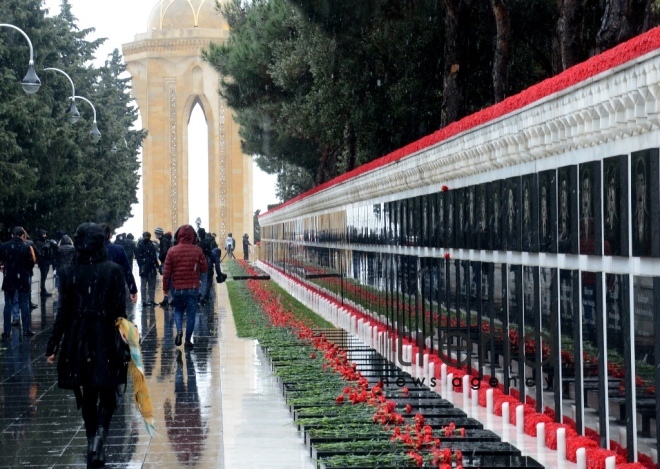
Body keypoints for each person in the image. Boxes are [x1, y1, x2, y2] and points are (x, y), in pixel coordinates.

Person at [45, 222, 128, 468]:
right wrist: (125, 340)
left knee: (88, 393)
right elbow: (120, 312)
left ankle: (92, 437)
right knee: (109, 390)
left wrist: (52, 345)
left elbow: (64, 313)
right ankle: (101, 435)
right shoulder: (113, 271)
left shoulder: (69, 273)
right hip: (105, 336)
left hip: (77, 337)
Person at [162, 225, 208, 349]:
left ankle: (179, 330)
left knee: (178, 310)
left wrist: (166, 289)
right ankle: (188, 340)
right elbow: (205, 268)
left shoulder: (172, 251)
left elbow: (166, 273)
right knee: (191, 314)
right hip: (193, 288)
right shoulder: (198, 250)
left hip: (177, 288)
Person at [0, 227, 36, 338]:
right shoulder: (26, 247)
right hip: (22, 279)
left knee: (8, 305)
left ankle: (6, 331)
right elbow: (31, 264)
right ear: (22, 235)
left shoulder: (4, 246)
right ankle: (26, 330)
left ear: (12, 235)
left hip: (9, 278)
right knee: (24, 304)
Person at [99, 224, 138, 304]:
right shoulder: (118, 249)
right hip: (115, 289)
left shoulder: (90, 251)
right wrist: (132, 289)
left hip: (96, 291)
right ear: (109, 235)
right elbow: (127, 271)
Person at [136, 232, 159, 306]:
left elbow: (154, 257)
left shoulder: (151, 245)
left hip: (151, 267)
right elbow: (138, 258)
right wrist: (141, 266)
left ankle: (151, 300)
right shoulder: (140, 245)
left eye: (148, 236)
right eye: (146, 236)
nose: (147, 238)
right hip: (144, 268)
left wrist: (157, 265)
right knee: (144, 285)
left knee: (151, 285)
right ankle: (144, 301)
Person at [35, 229, 56, 296]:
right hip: (42, 261)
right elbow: (44, 248)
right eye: (44, 234)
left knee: (44, 276)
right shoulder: (38, 242)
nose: (45, 235)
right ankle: (43, 289)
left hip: (46, 261)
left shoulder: (46, 241)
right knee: (43, 276)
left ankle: (43, 289)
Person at [156, 229, 173, 307]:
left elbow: (165, 252)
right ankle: (170, 298)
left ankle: (168, 299)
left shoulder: (164, 241)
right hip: (168, 262)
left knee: (167, 280)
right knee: (169, 280)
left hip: (165, 262)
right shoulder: (166, 240)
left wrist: (161, 257)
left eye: (156, 233)